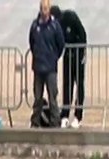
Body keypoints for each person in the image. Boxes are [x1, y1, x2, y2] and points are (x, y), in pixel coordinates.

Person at [28, 0, 63, 129]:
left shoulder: (54, 26)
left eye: (46, 8)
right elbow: (31, 43)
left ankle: (55, 122)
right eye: (42, 8)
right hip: (38, 66)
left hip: (50, 67)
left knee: (52, 97)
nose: (44, 11)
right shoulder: (34, 26)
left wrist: (54, 57)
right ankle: (35, 121)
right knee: (37, 97)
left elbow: (61, 44)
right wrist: (37, 55)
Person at [50, 5, 87, 128]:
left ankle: (78, 115)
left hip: (78, 55)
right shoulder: (54, 25)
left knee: (79, 85)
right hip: (67, 55)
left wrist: (82, 53)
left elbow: (82, 34)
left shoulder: (70, 17)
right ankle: (65, 114)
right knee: (67, 85)